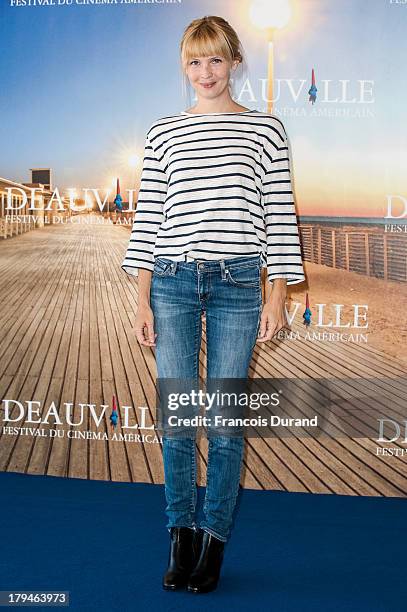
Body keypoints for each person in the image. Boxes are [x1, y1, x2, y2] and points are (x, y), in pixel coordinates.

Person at [121, 15, 306, 594]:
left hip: (238, 286)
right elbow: (149, 221)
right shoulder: (163, 133)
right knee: (178, 422)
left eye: (217, 59)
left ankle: (214, 543)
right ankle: (180, 535)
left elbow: (278, 216)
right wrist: (143, 302)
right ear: (185, 67)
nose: (206, 71)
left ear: (234, 63)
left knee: (224, 425)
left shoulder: (267, 131)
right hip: (172, 282)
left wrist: (277, 295)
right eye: (196, 61)